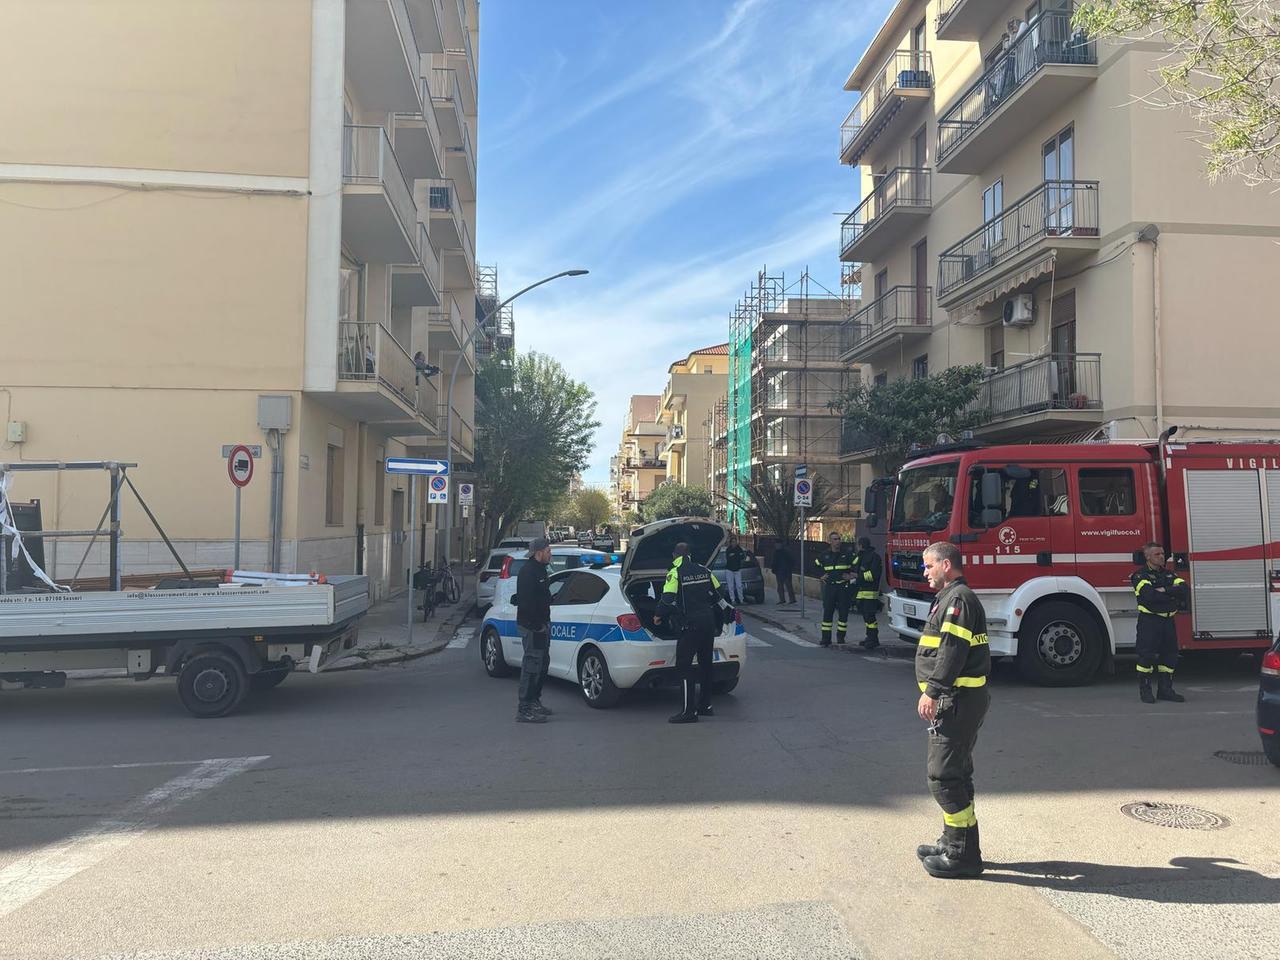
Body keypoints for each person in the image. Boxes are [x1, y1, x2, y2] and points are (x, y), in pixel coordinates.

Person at [914, 541, 990, 879]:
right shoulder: (951, 597)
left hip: (956, 700)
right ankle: (952, 842)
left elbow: (952, 651)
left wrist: (933, 691)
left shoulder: (958, 599)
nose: (924, 572)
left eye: (929, 566)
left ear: (947, 565)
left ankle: (962, 856)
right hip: (957, 700)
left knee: (943, 778)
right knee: (956, 773)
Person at [654, 542, 734, 723]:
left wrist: (658, 616)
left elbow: (667, 600)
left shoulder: (675, 573)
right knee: (706, 665)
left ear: (675, 555)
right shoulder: (704, 570)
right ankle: (706, 706)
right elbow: (719, 592)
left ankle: (688, 712)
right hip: (708, 623)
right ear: (690, 554)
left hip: (690, 625)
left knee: (683, 666)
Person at [1130, 542, 1188, 704]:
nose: (1162, 556)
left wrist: (1164, 591)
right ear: (1148, 557)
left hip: (1168, 621)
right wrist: (1171, 594)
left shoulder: (1169, 575)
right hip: (1150, 622)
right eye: (1157, 554)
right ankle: (1145, 691)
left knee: (1170, 657)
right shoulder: (1140, 576)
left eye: (1162, 553)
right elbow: (1150, 597)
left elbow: (1184, 590)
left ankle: (1165, 690)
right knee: (1146, 657)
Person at [514, 537, 554, 723]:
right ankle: (524, 708)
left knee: (542, 664)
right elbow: (526, 602)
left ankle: (535, 700)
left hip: (542, 624)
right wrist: (537, 626)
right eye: (548, 551)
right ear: (539, 552)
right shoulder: (528, 572)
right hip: (532, 627)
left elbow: (542, 597)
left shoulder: (541, 570)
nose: (550, 554)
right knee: (531, 666)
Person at [814, 531, 854, 646]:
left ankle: (841, 637)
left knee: (843, 613)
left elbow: (857, 565)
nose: (838, 541)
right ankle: (825, 639)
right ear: (830, 541)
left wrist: (852, 575)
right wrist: (820, 575)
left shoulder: (847, 554)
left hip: (843, 587)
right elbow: (815, 565)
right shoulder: (824, 555)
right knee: (828, 612)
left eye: (839, 539)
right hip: (830, 587)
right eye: (835, 539)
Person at [852, 537, 883, 650]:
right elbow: (854, 566)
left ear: (860, 545)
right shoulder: (860, 556)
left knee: (870, 617)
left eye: (858, 545)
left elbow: (873, 575)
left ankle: (873, 638)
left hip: (870, 591)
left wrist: (858, 576)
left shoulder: (874, 557)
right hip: (861, 591)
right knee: (866, 616)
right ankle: (869, 637)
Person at [724, 534, 747, 605]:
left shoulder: (739, 549)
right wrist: (736, 556)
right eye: (733, 542)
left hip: (737, 570)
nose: (734, 543)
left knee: (739, 585)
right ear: (731, 543)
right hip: (729, 570)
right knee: (730, 586)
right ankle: (732, 600)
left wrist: (736, 556)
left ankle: (741, 600)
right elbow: (729, 558)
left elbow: (742, 556)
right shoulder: (728, 550)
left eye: (735, 542)